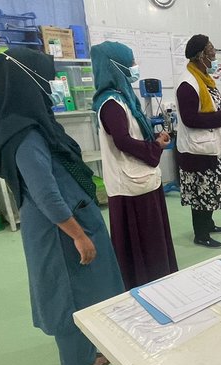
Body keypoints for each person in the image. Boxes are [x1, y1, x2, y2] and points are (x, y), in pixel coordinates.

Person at [0, 48, 125, 365]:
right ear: (25, 83)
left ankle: (88, 346)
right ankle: (78, 361)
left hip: (70, 220)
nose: (53, 84)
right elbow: (44, 191)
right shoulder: (25, 136)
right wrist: (78, 235)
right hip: (59, 230)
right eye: (47, 79)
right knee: (68, 293)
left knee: (86, 287)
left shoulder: (35, 126)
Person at [91, 41, 178, 289]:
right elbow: (122, 141)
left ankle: (158, 282)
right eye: (130, 64)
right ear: (114, 67)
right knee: (142, 245)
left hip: (141, 179)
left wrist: (154, 139)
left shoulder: (123, 98)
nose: (134, 68)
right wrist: (154, 148)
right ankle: (144, 287)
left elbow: (133, 133)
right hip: (130, 185)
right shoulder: (111, 104)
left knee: (152, 242)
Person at [175, 35, 221, 249]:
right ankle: (200, 234)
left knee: (211, 189)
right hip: (196, 150)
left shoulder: (205, 79)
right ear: (201, 56)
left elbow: (207, 106)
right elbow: (190, 119)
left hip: (211, 145)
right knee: (201, 193)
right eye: (212, 54)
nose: (215, 57)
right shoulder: (187, 84)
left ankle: (208, 224)